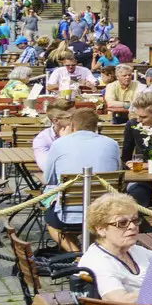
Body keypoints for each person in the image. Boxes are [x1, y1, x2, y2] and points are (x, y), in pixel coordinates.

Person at [41, 107, 122, 253]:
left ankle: (78, 255)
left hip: (69, 213)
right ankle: (93, 252)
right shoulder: (112, 144)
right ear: (96, 126)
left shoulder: (59, 144)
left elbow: (48, 179)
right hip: (105, 211)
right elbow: (116, 173)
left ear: (73, 125)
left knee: (51, 222)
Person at [77, 192, 152, 302]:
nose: (132, 227)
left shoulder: (134, 250)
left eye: (135, 220)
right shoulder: (98, 261)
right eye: (122, 223)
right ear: (101, 229)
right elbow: (120, 301)